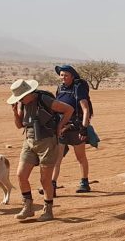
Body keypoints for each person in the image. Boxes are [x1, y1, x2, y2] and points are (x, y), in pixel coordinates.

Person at [8, 79, 73, 221]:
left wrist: (60, 126)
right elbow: (19, 125)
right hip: (29, 140)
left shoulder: (45, 99)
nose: (20, 101)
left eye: (22, 98)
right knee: (21, 175)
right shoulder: (21, 103)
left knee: (45, 180)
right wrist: (15, 111)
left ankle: (48, 210)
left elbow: (69, 109)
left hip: (48, 142)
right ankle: (28, 207)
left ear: (29, 93)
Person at [51, 65, 92, 194]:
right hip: (61, 127)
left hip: (76, 127)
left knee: (80, 157)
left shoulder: (78, 88)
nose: (63, 78)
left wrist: (84, 129)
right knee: (57, 158)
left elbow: (85, 109)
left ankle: (84, 183)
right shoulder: (60, 89)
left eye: (66, 75)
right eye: (61, 75)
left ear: (72, 76)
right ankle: (52, 185)